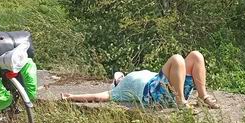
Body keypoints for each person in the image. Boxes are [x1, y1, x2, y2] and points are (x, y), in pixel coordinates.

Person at [62, 51, 220, 109]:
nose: (120, 76)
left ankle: (202, 96)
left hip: (169, 87)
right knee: (177, 59)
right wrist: (72, 98)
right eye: (118, 77)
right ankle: (180, 101)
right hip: (154, 93)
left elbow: (173, 75)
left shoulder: (136, 74)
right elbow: (98, 97)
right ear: (117, 81)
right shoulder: (119, 89)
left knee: (196, 56)